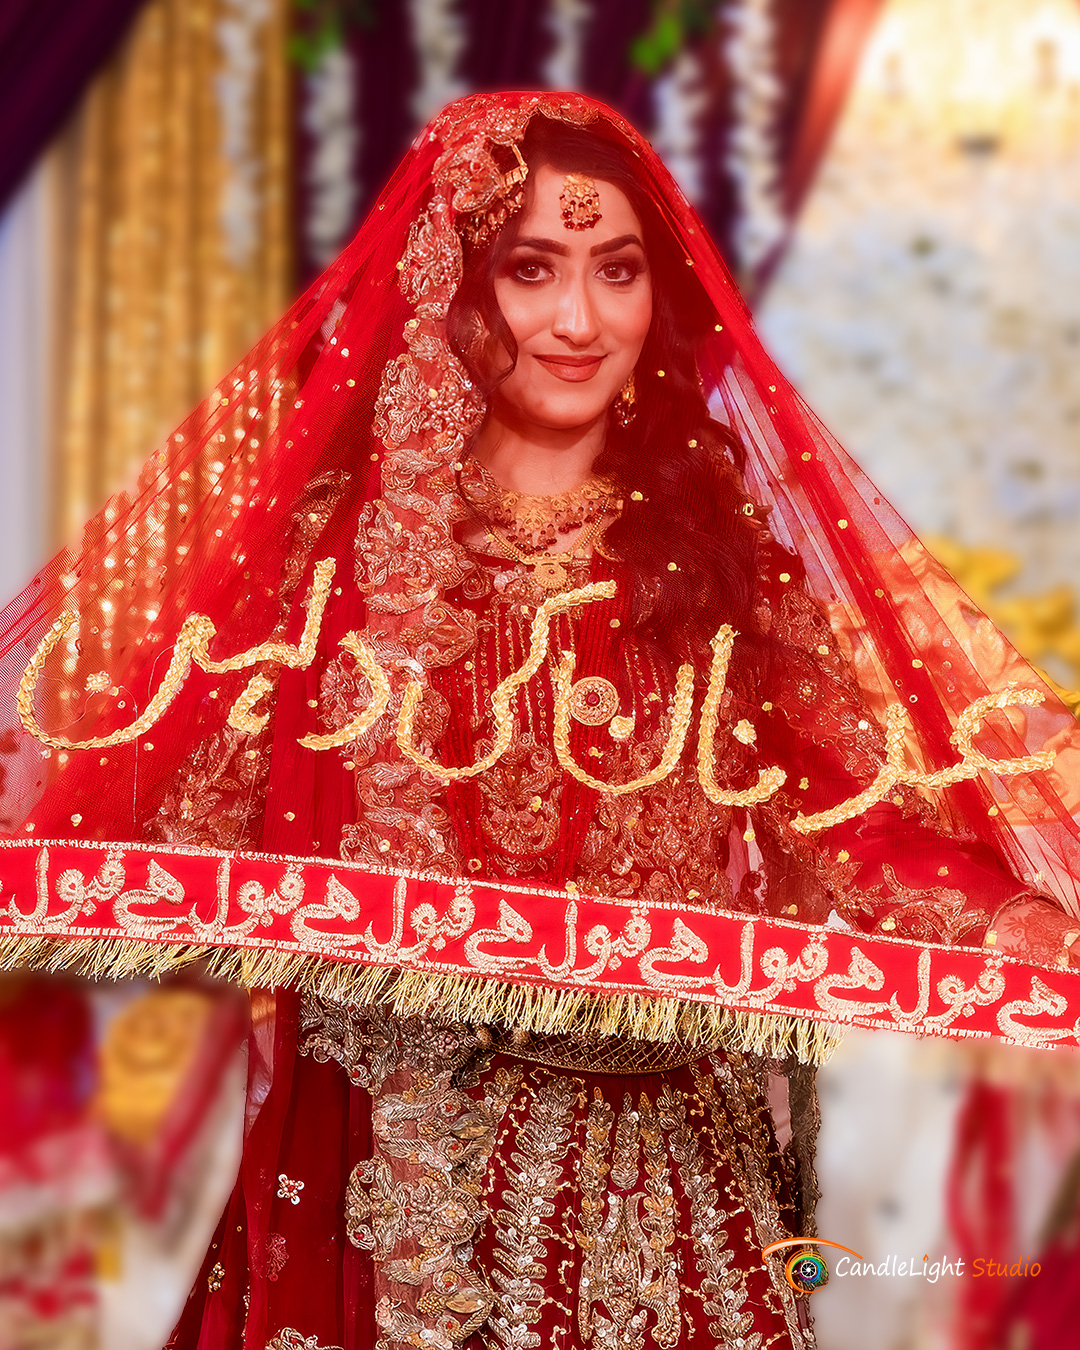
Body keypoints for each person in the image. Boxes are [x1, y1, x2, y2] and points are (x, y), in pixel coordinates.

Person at [2, 91, 1080, 1350]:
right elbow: (155, 817)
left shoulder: (714, 560)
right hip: (393, 1148)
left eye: (617, 272)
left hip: (671, 1168)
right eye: (531, 271)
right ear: (450, 289)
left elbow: (852, 827)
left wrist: (1034, 927)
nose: (578, 322)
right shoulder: (339, 568)